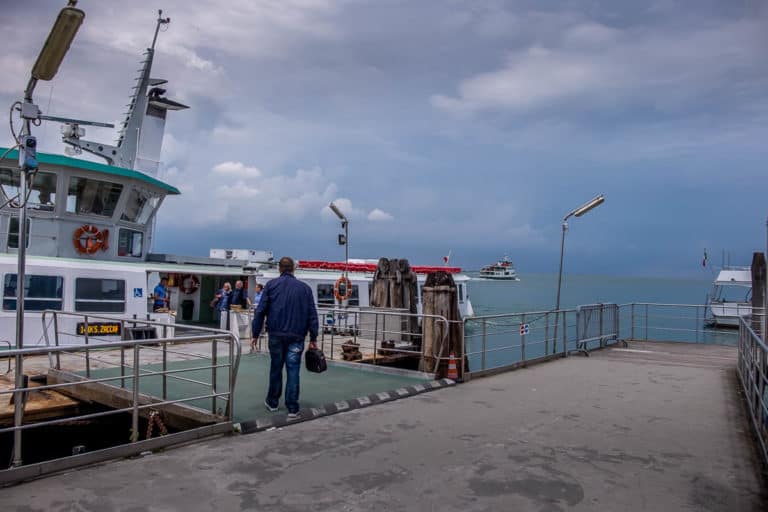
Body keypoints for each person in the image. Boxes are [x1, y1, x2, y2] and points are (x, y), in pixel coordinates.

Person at [252, 257, 318, 418]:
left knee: (276, 367)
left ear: (279, 269)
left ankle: (272, 402)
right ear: (293, 269)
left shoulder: (271, 286)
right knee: (293, 370)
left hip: (276, 334)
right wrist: (314, 337)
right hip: (296, 336)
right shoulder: (305, 289)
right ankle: (293, 408)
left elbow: (260, 311)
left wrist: (255, 334)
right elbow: (312, 315)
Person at [250, 283, 264, 353]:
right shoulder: (256, 294)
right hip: (255, 310)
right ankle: (254, 343)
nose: (255, 289)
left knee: (257, 326)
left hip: (260, 311)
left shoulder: (262, 294)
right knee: (254, 325)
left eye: (256, 288)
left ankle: (254, 343)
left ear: (259, 288)